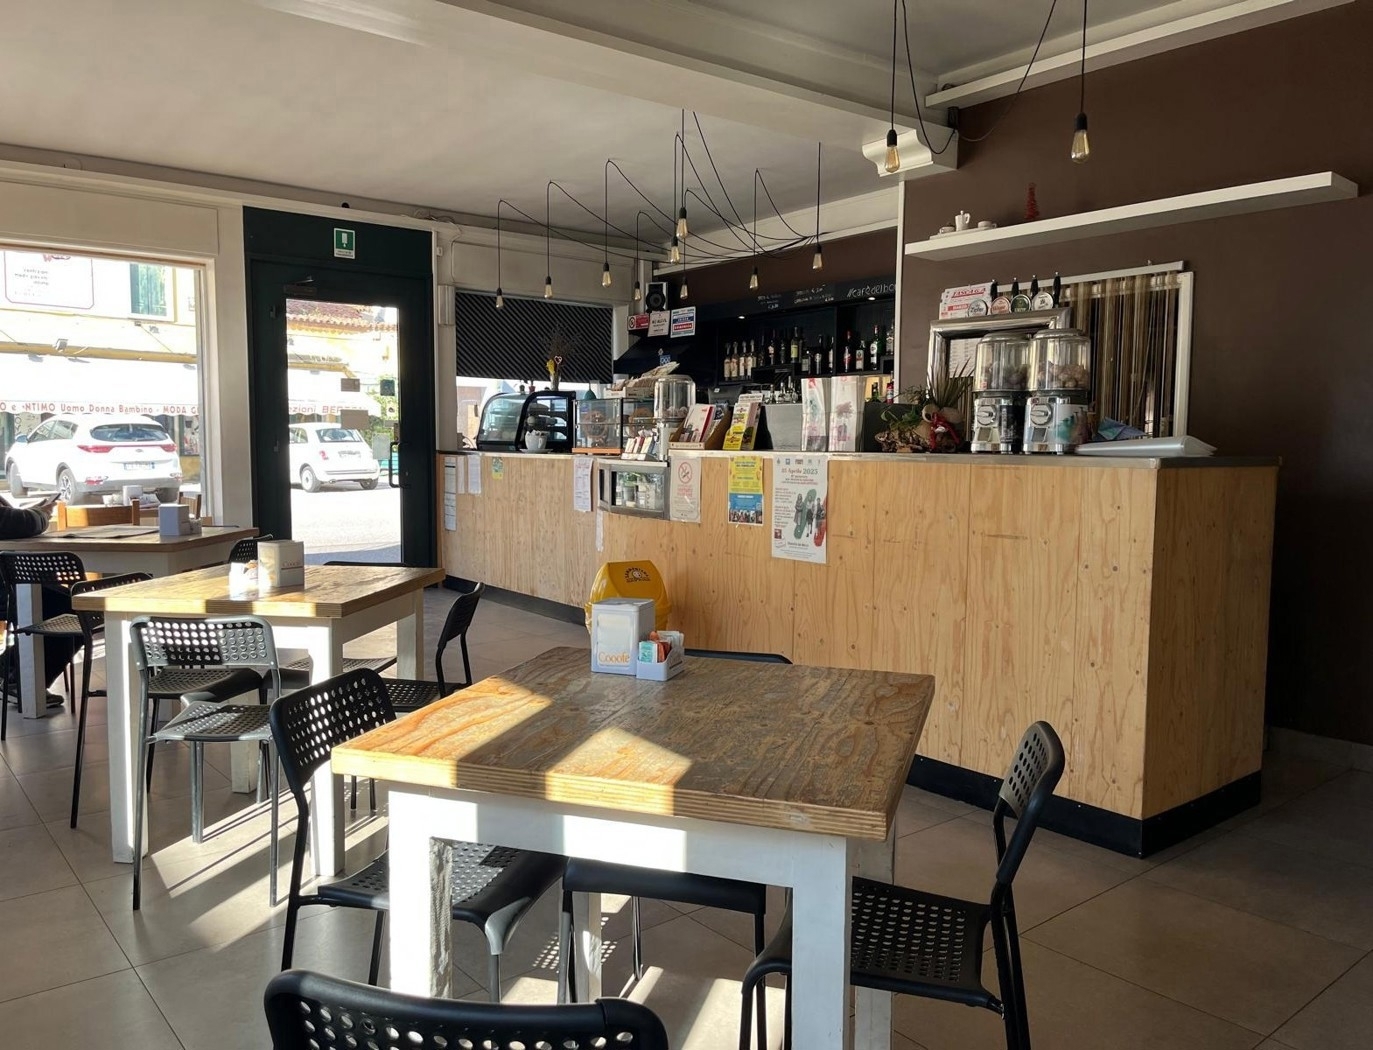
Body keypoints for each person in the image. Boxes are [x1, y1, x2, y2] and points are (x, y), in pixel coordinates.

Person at [0, 495, 75, 708]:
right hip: (6, 589)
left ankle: (9, 671)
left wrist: (31, 512)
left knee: (62, 602)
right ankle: (22, 683)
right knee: (77, 609)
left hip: (9, 583)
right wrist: (42, 513)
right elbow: (20, 523)